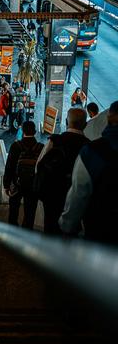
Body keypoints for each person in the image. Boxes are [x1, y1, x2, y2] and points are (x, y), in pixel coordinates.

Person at [59, 100, 118, 244]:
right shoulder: (88, 146)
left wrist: (67, 226)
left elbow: (79, 193)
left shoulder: (93, 152)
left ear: (109, 119)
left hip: (101, 230)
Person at [35, 107, 89, 235]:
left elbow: (39, 165)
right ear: (86, 125)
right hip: (76, 200)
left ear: (66, 121)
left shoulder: (54, 141)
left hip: (52, 195)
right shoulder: (89, 146)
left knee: (50, 229)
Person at [3, 120, 43, 229]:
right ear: (35, 132)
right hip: (33, 186)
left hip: (17, 184)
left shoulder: (16, 146)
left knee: (13, 210)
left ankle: (12, 231)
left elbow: (9, 167)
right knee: (30, 213)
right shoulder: (40, 147)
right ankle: (27, 232)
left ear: (22, 131)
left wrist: (6, 185)